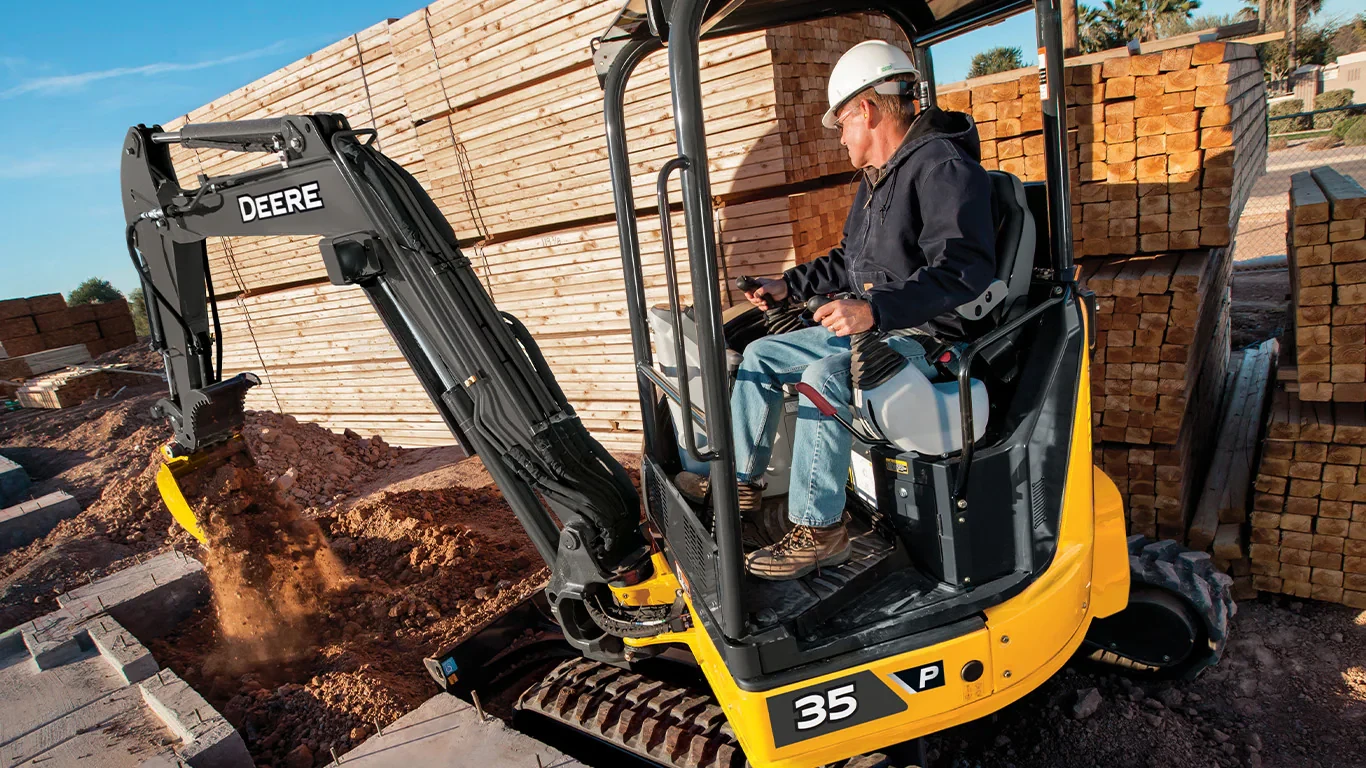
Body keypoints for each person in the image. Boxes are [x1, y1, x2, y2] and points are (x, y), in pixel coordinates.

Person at [677, 40, 999, 581]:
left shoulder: (942, 166)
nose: (841, 138)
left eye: (841, 124)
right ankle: (740, 485)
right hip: (882, 326)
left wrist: (874, 311)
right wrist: (789, 285)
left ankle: (820, 529)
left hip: (928, 336)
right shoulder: (878, 181)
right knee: (760, 353)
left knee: (825, 375)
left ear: (867, 110)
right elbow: (850, 262)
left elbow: (964, 270)